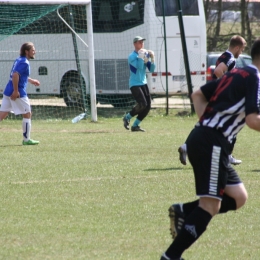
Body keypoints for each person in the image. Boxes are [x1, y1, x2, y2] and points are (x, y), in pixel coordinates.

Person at [160, 38, 260, 260]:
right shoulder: (254, 77)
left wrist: (207, 124)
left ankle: (185, 211)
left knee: (238, 197)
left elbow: (197, 94)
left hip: (207, 140)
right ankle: (171, 256)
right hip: (212, 142)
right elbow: (253, 120)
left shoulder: (237, 73)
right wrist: (211, 129)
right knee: (210, 206)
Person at [178, 35, 247, 166]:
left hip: (215, 94)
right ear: (237, 47)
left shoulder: (224, 56)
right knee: (230, 122)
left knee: (208, 123)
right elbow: (218, 70)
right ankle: (227, 155)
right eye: (242, 49)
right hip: (222, 96)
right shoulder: (230, 58)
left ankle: (186, 147)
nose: (242, 52)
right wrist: (227, 85)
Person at [0, 42, 40, 145]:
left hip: (8, 91)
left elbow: (20, 75)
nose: (34, 51)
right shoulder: (24, 62)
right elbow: (15, 75)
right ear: (27, 51)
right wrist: (16, 91)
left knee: (1, 115)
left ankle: (26, 139)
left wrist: (31, 81)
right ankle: (26, 140)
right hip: (17, 93)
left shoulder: (19, 59)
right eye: (33, 50)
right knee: (27, 114)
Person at [122, 36, 156, 132]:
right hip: (134, 84)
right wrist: (141, 56)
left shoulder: (143, 54)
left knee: (148, 106)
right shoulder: (132, 56)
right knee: (142, 104)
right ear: (135, 44)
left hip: (143, 83)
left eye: (142, 42)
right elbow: (140, 67)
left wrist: (152, 58)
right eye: (139, 42)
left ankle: (135, 125)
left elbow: (152, 69)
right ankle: (127, 117)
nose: (142, 44)